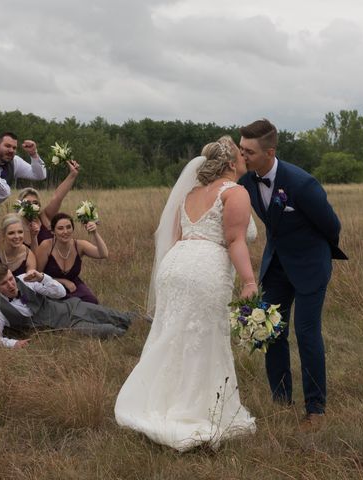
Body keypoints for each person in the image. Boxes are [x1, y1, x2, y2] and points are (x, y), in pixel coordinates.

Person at [114, 136, 258, 452]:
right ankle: (194, 409)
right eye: (240, 155)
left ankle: (154, 400)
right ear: (232, 163)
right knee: (203, 338)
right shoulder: (235, 192)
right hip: (205, 270)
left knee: (172, 333)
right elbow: (235, 240)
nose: (245, 158)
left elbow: (178, 236)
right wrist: (249, 281)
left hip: (175, 265)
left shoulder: (191, 193)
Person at [238, 119, 347, 430]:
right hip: (276, 266)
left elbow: (332, 226)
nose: (242, 156)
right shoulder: (246, 179)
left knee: (306, 333)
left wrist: (314, 254)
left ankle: (315, 409)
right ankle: (281, 400)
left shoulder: (301, 184)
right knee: (272, 331)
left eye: (249, 152)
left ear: (269, 152)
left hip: (310, 266)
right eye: (241, 149)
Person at [0, 264, 133, 348]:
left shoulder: (24, 280)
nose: (11, 284)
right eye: (4, 283)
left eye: (11, 279)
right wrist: (14, 343)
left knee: (117, 316)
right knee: (111, 331)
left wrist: (43, 278)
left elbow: (61, 293)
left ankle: (148, 322)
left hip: (71, 308)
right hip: (66, 329)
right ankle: (136, 337)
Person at [0, 132, 47, 238]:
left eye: (14, 147)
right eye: (7, 146)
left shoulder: (15, 162)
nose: (11, 150)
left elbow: (40, 175)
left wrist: (34, 154)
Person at [36, 213, 107, 304]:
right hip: (50, 286)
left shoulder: (79, 245)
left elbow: (103, 254)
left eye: (69, 227)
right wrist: (62, 281)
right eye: (60, 228)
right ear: (53, 231)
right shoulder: (46, 246)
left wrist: (95, 233)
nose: (65, 231)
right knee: (63, 308)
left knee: (92, 301)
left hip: (74, 285)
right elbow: (37, 274)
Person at [16, 159, 80, 248]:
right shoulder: (14, 223)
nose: (32, 206)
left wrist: (72, 174)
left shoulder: (44, 216)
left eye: (35, 202)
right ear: (20, 205)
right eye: (27, 203)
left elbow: (57, 197)